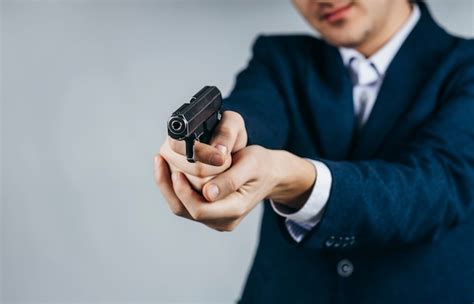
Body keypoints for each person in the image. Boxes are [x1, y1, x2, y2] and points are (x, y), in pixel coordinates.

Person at [154, 0, 474, 302]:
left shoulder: (465, 68)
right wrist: (224, 141)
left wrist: (297, 181)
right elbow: (254, 112)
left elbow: (434, 187)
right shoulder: (280, 58)